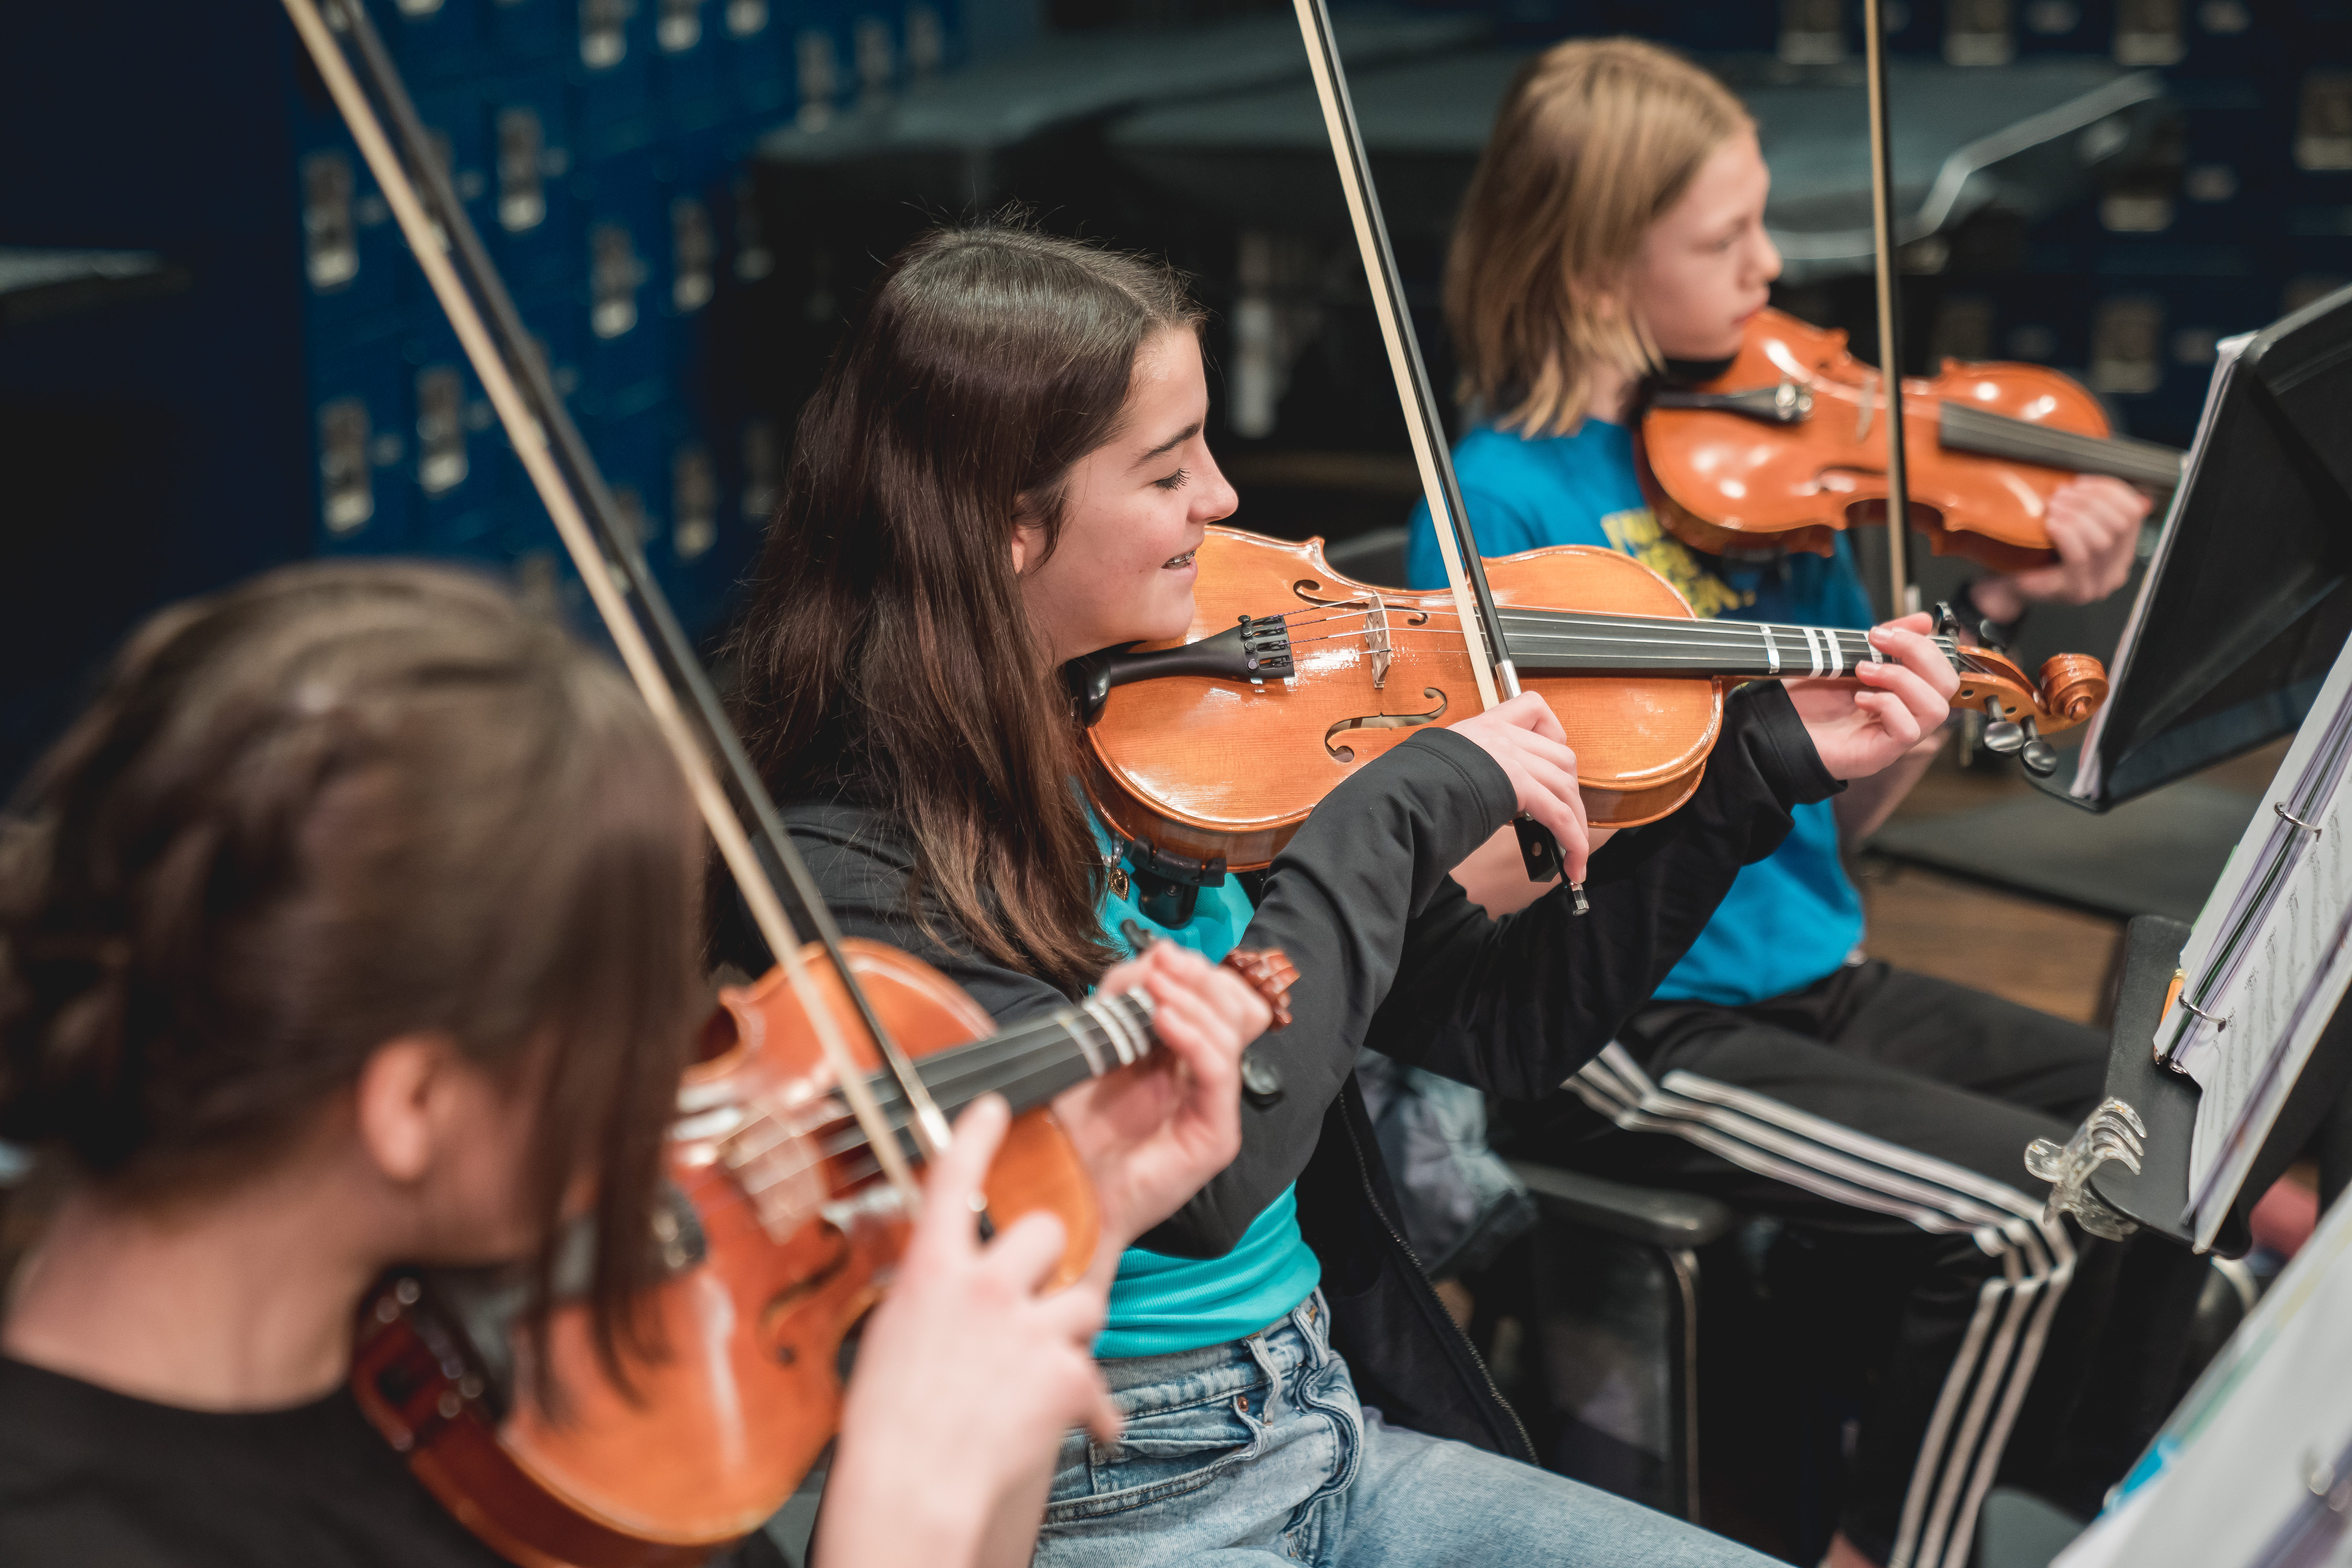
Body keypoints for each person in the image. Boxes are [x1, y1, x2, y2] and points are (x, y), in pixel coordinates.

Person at [721, 218, 1961, 1566]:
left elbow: (1506, 1028)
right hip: (1103, 1493)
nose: (1224, 498)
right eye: (1166, 467)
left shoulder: (1193, 734)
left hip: (1328, 1419)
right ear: (1009, 527)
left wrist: (1753, 771)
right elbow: (1204, 1184)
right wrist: (1387, 820)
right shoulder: (853, 871)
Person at [0, 561, 1263, 1568]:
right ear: (417, 1105)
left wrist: (1075, 1228)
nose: (677, 1089)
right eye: (642, 1036)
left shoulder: (482, 1363)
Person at [1415, 38, 2206, 1568]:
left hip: (1813, 972)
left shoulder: (1779, 455)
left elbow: (1838, 830)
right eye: (1723, 242)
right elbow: (1508, 878)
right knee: (2019, 1225)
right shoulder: (1501, 500)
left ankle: (2095, 1517)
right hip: (1634, 1022)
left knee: (2166, 1122)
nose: (1774, 268)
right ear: (1591, 269)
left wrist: (1968, 622)